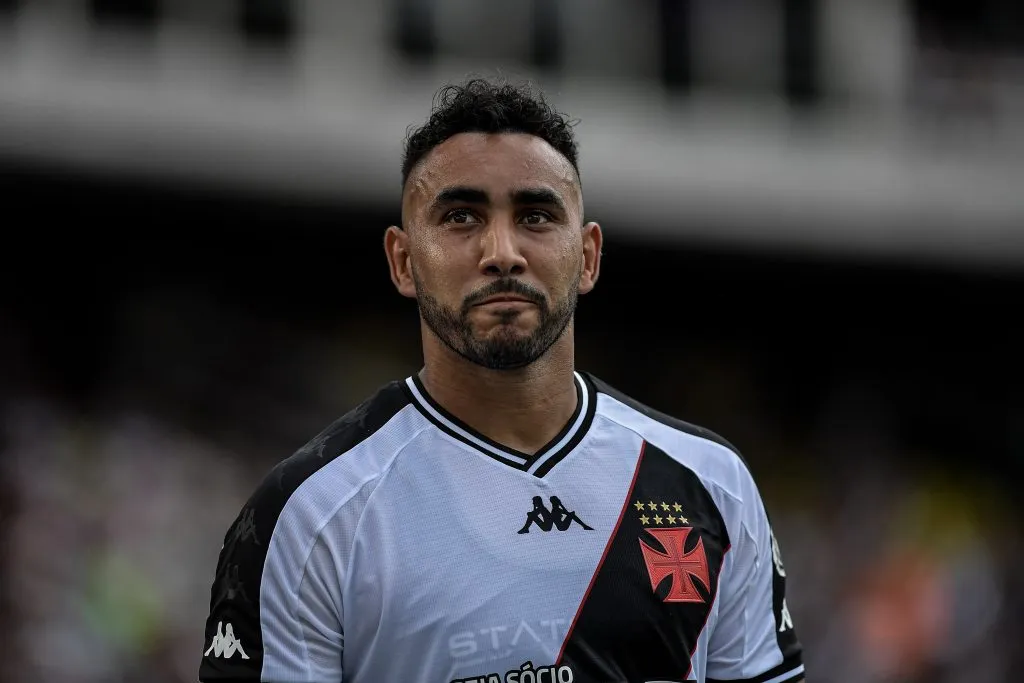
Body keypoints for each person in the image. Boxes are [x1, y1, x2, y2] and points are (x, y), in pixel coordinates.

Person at [199, 78, 806, 683]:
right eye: (461, 216)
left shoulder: (711, 484)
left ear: (588, 256)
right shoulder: (308, 516)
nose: (503, 251)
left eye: (536, 215)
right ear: (404, 260)